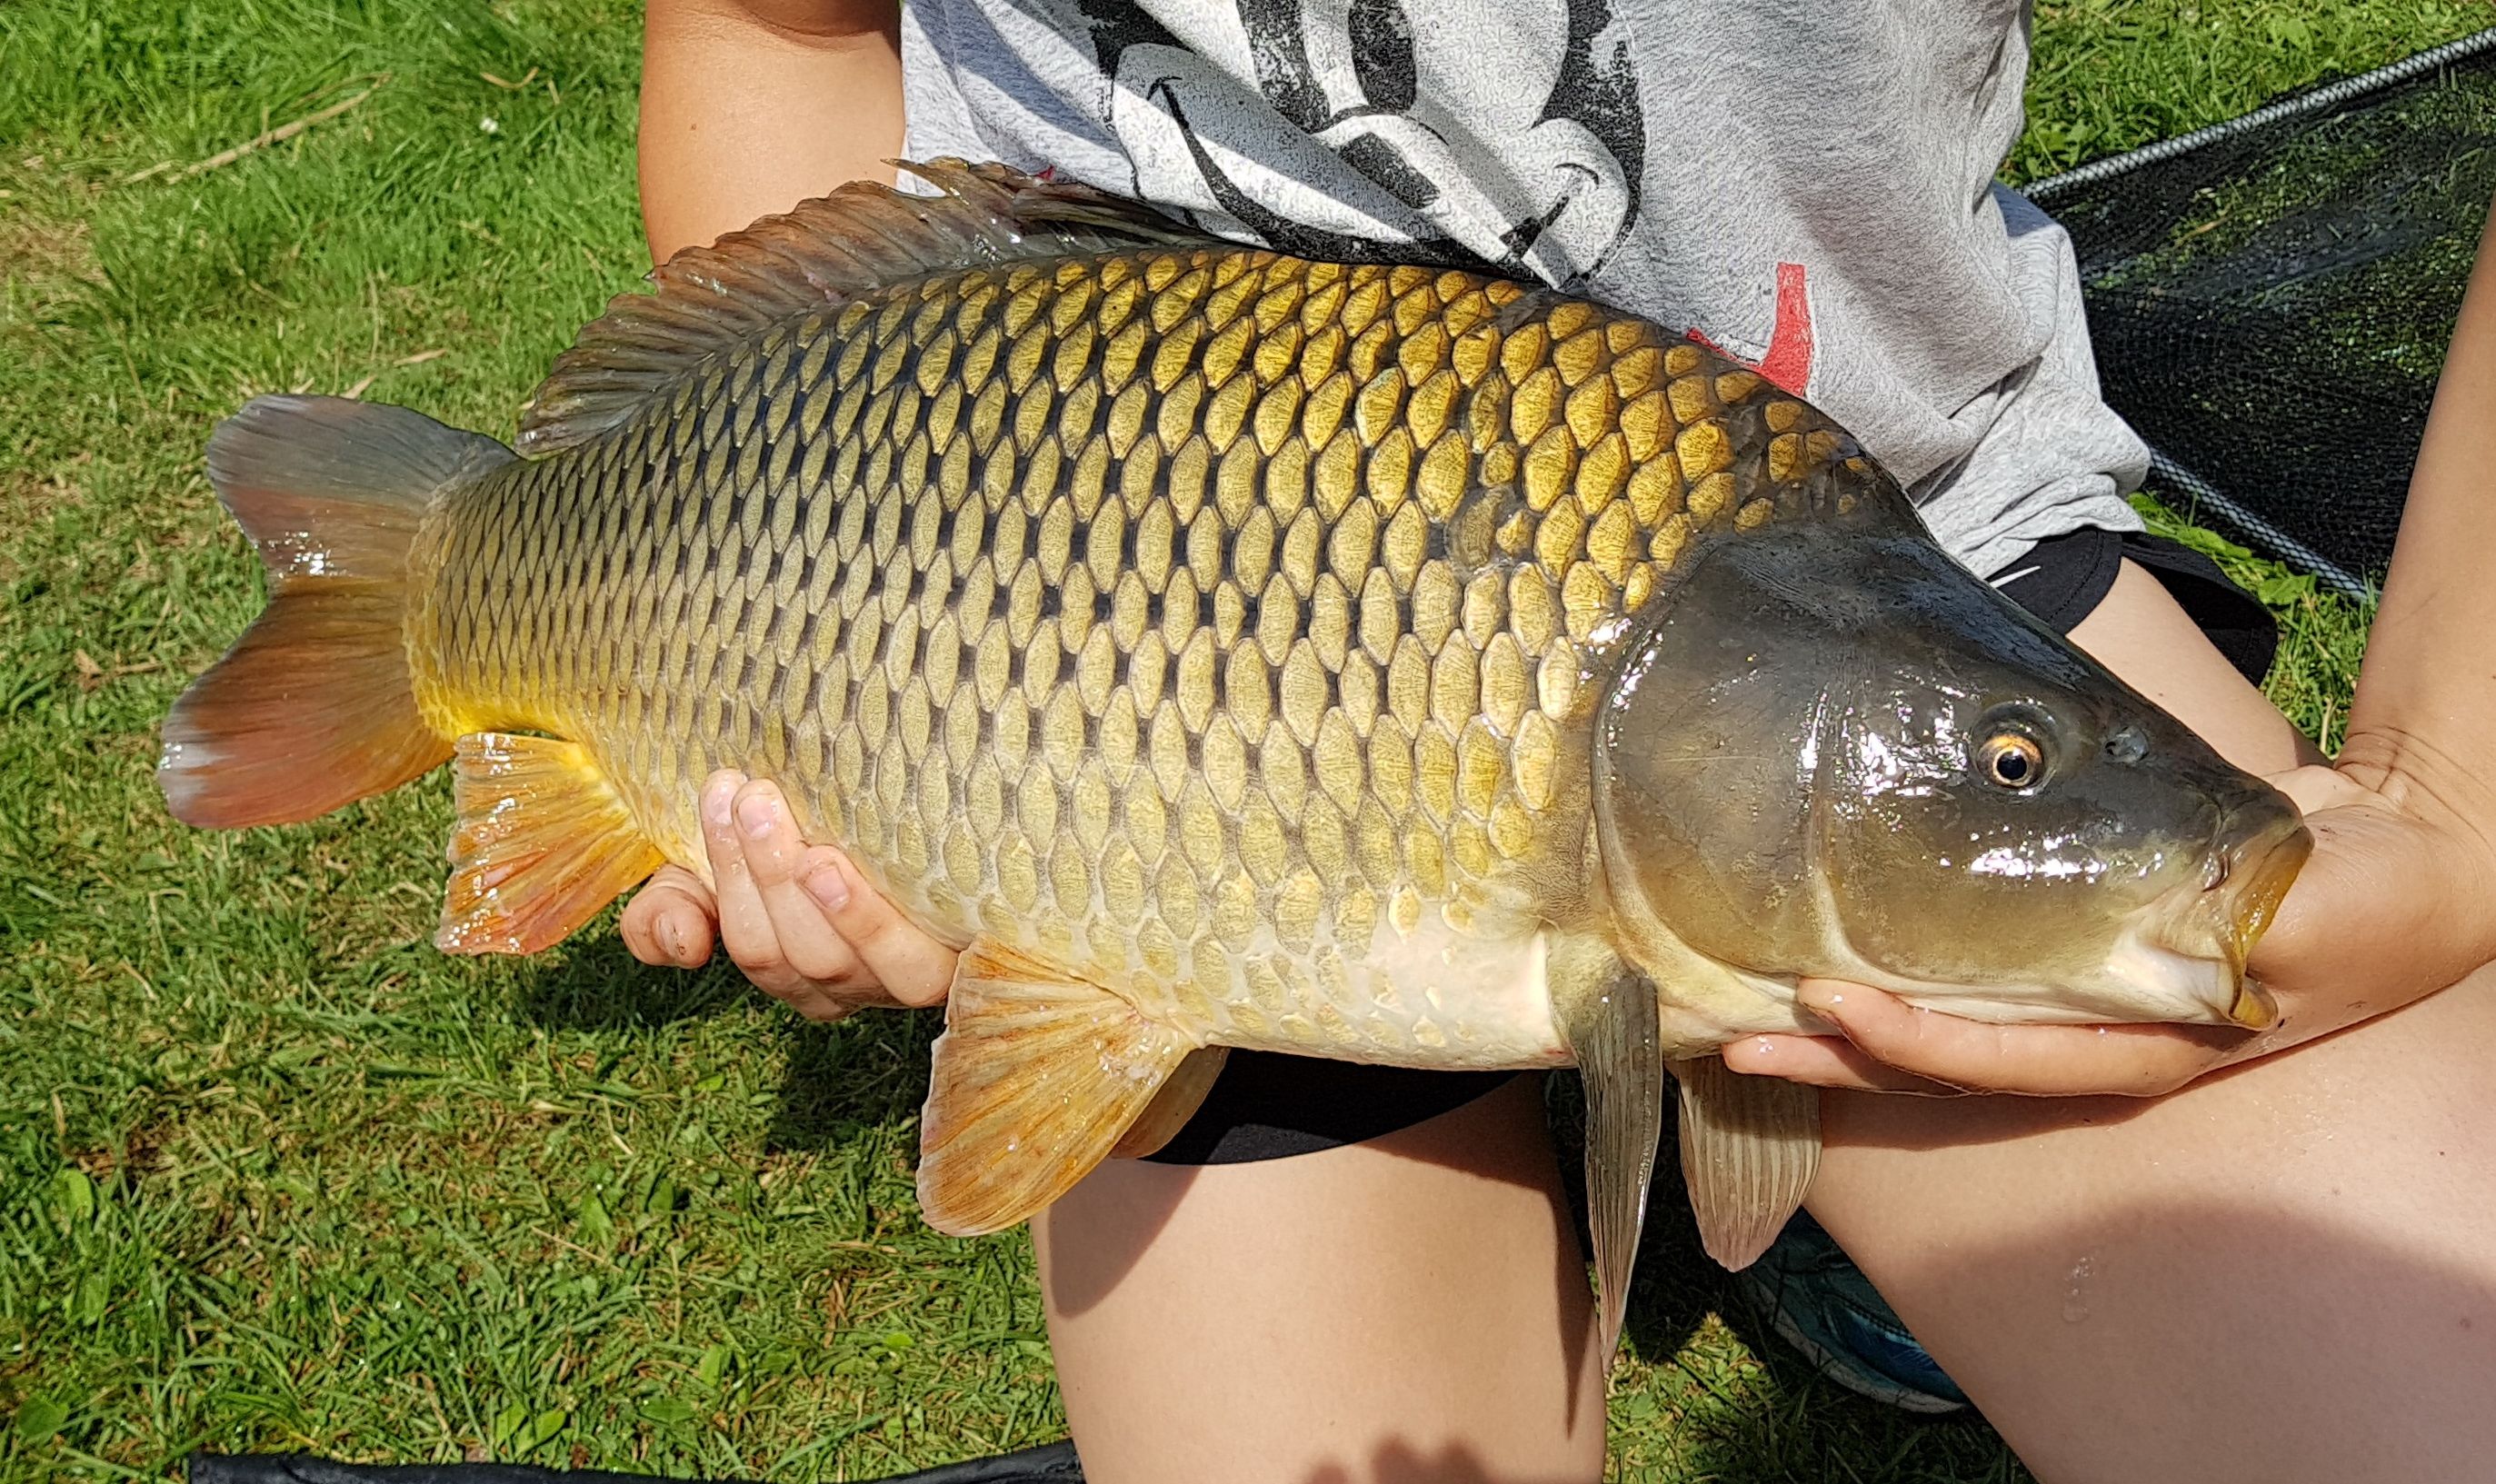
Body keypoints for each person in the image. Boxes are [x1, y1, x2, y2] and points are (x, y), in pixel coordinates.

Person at [626, 1, 2496, 1479]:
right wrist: (832, 649)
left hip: (1906, 535)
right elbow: (772, 26)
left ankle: (1801, 1131)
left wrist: (2453, 795)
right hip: (1112, 610)